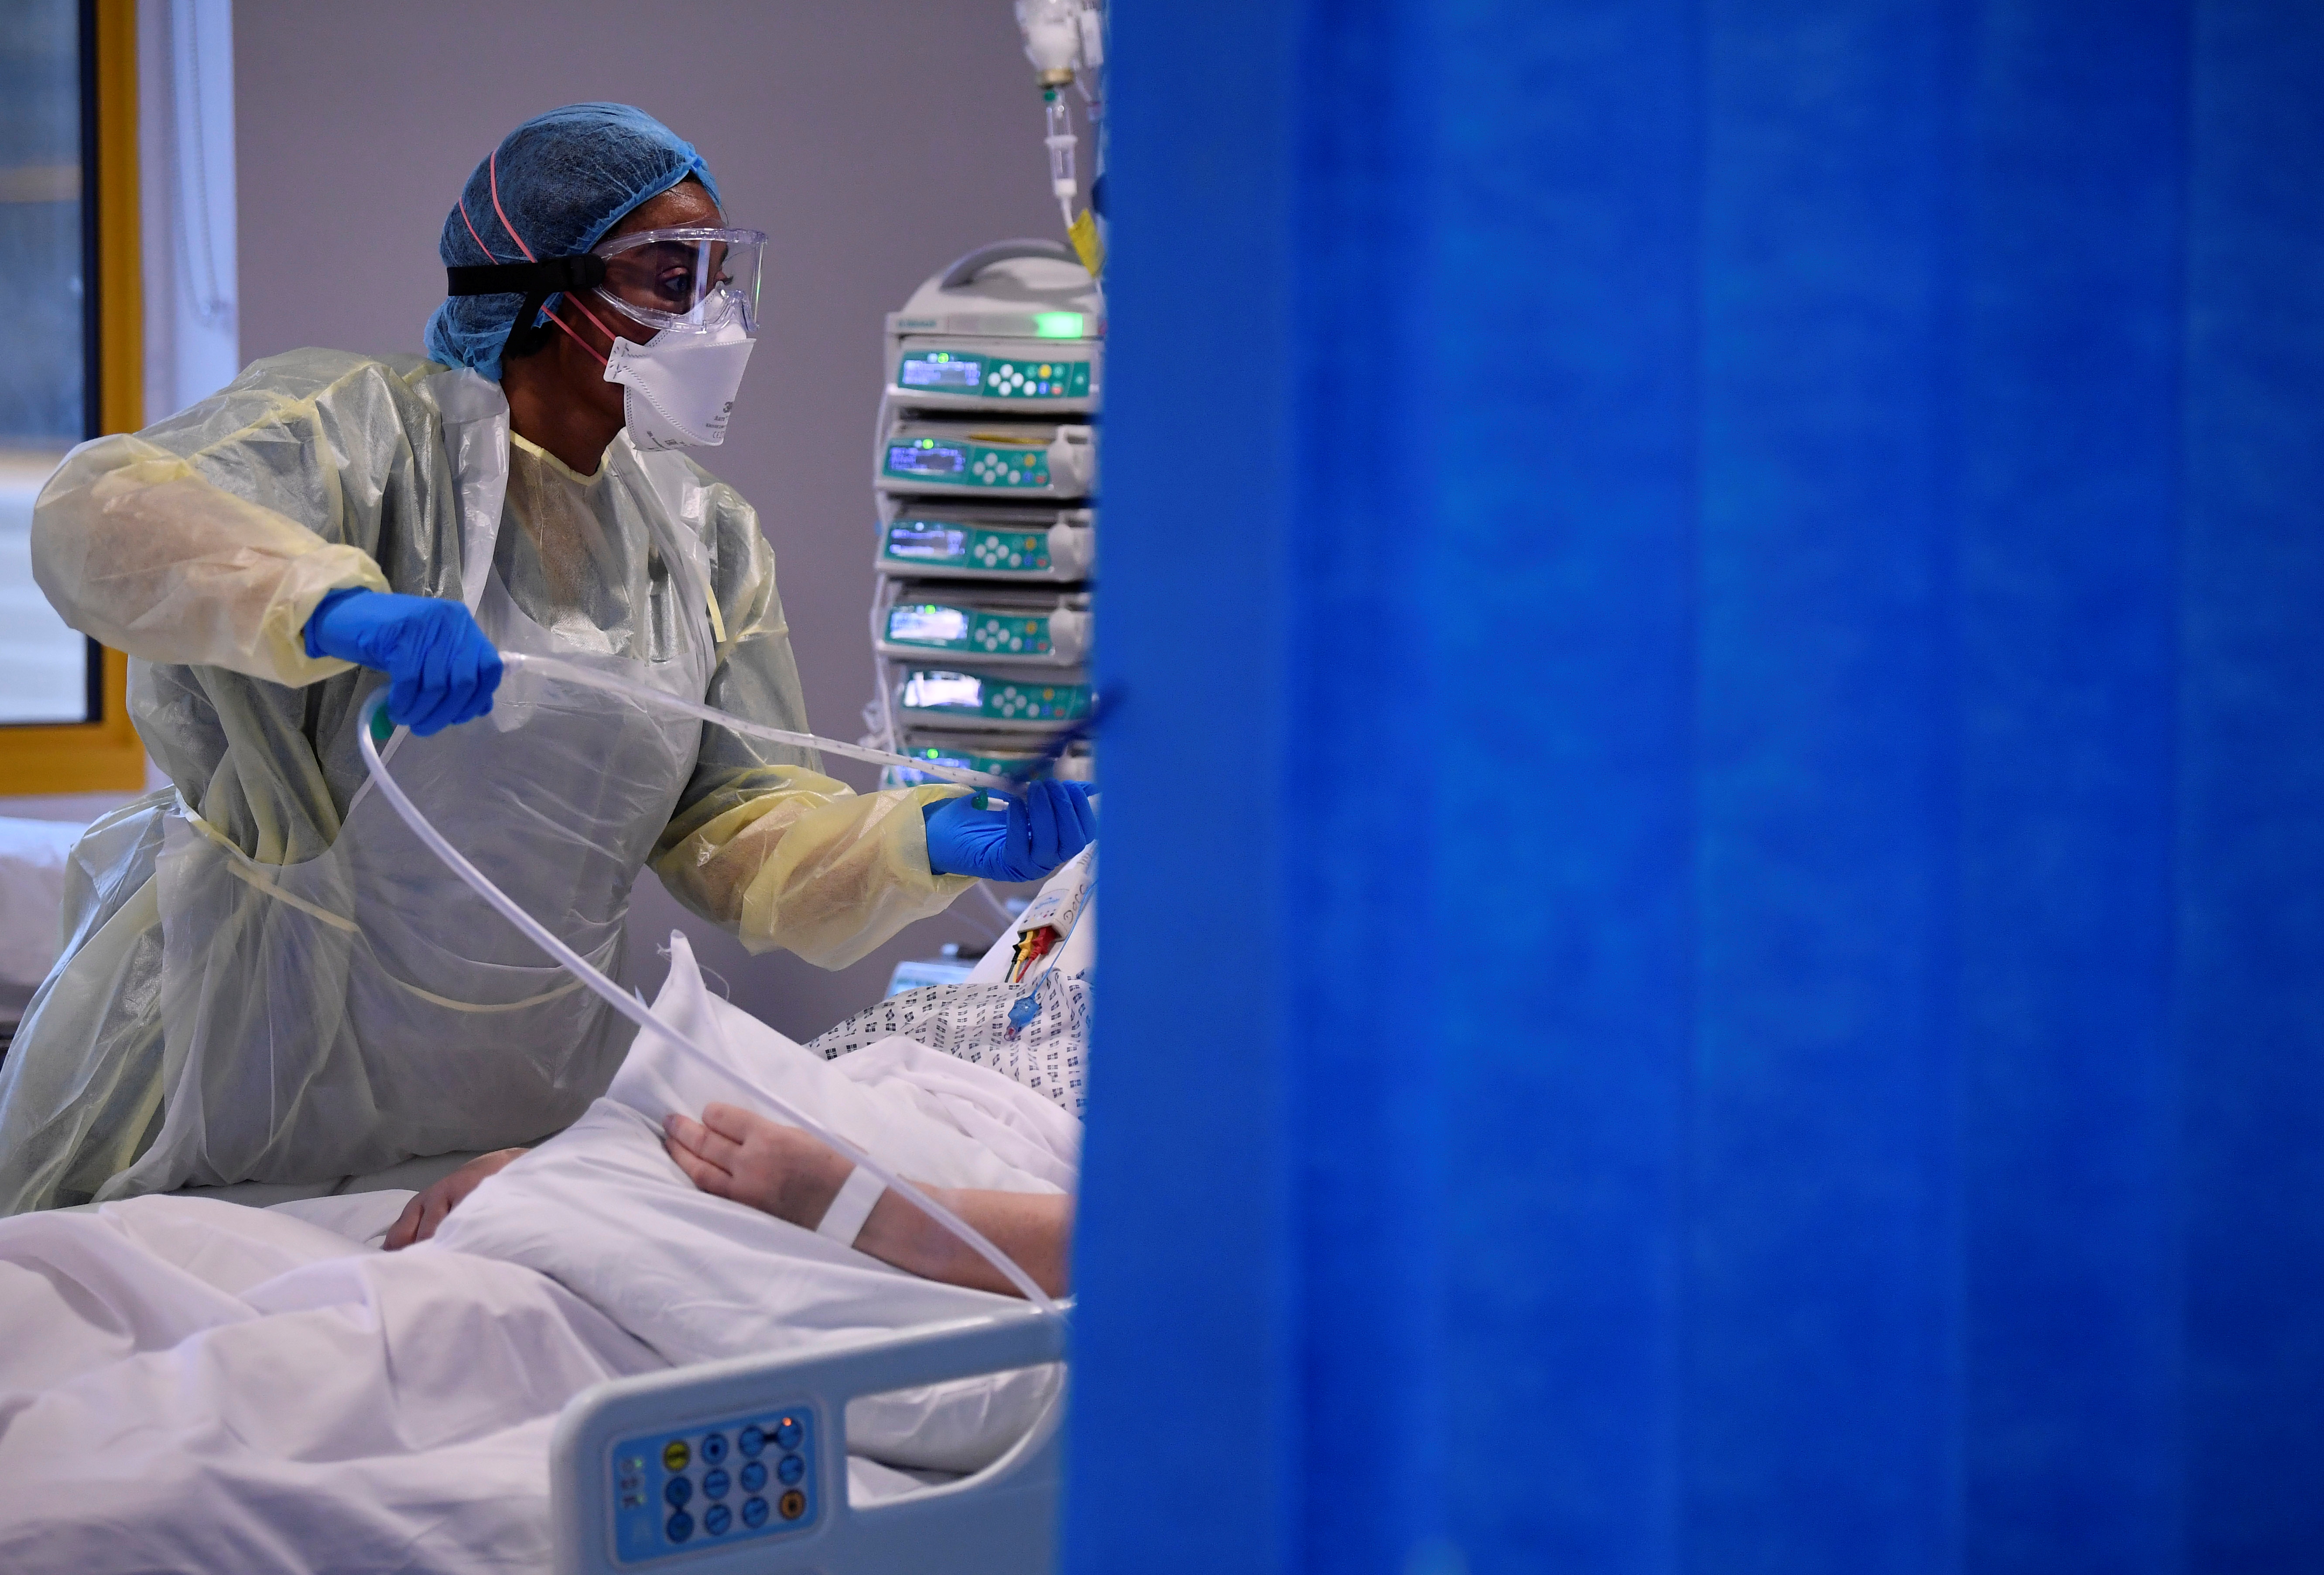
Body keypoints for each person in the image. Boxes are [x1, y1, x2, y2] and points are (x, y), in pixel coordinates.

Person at [0, 104, 1093, 1213]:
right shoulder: (366, 438)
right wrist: (333, 610)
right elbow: (101, 516)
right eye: (673, 278)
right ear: (548, 295)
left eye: (722, 278)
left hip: (507, 1126)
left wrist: (928, 839)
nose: (712, 317)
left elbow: (735, 832)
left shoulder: (703, 541)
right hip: (250, 1082)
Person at [381, 1102, 1073, 1300]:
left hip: (878, 1208)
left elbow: (1164, 1250)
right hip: (755, 1156)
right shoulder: (1088, 897)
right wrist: (565, 1163)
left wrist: (851, 1201)